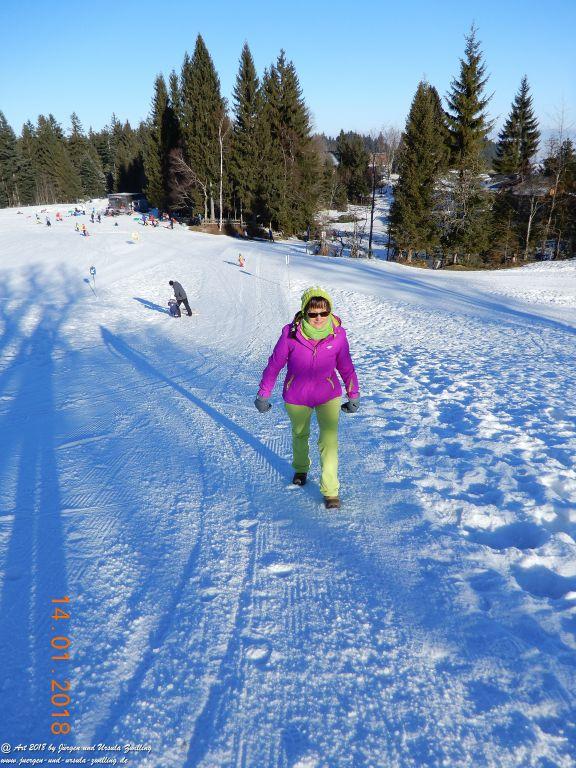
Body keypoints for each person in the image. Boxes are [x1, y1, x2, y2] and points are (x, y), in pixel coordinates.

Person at [255, 287, 359, 509]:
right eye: (313, 313)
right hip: (297, 395)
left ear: (329, 311)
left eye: (323, 312)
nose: (319, 318)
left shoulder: (338, 335)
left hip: (328, 395)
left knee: (328, 441)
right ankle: (301, 468)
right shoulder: (290, 334)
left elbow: (346, 366)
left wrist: (354, 394)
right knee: (300, 434)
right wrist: (263, 393)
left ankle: (331, 491)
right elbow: (274, 365)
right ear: (304, 312)